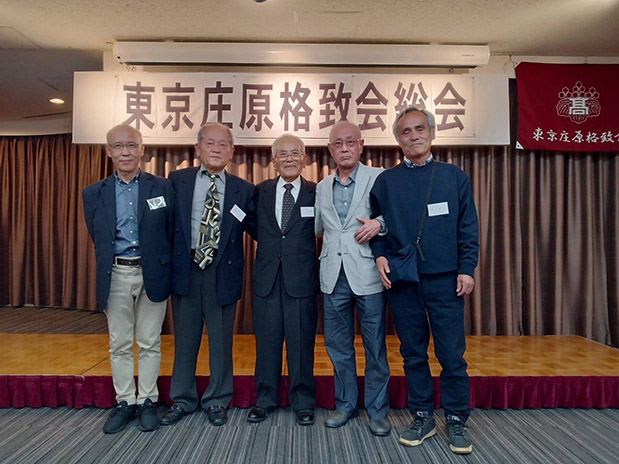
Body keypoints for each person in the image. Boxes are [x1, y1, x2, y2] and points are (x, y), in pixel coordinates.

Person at [369, 106, 479, 455]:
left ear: (432, 133)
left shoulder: (453, 176)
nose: (414, 136)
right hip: (404, 280)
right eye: (406, 131)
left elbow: (468, 226)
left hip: (446, 280)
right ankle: (422, 415)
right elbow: (376, 225)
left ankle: (457, 418)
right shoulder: (386, 181)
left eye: (420, 129)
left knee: (451, 354)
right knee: (413, 353)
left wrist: (467, 268)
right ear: (398, 139)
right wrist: (379, 254)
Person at [160, 122, 256, 427]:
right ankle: (182, 399)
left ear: (232, 151)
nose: (216, 149)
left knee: (221, 341)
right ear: (198, 148)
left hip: (222, 271)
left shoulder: (243, 189)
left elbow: (259, 229)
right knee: (185, 339)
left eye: (223, 144)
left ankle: (217, 399)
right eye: (210, 143)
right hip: (185, 269)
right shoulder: (177, 181)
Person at [82, 124, 174, 434]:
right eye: (118, 146)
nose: (125, 152)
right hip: (116, 273)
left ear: (142, 149)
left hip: (153, 274)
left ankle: (147, 400)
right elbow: (98, 235)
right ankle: (125, 402)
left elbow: (169, 230)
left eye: (131, 145)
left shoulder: (162, 187)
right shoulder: (93, 193)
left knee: (150, 341)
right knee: (119, 342)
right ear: (108, 151)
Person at [314, 120, 391, 436]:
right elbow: (315, 228)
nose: (344, 148)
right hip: (333, 276)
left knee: (375, 347)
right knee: (338, 346)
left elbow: (398, 214)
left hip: (368, 274)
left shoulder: (379, 177)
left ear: (361, 145)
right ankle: (345, 405)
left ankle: (377, 411)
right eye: (338, 144)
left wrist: (379, 224)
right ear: (330, 149)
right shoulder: (321, 187)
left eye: (350, 142)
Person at [247, 134, 318, 426]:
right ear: (274, 160)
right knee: (267, 343)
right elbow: (252, 225)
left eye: (295, 153)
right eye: (283, 154)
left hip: (301, 279)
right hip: (267, 279)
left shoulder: (317, 192)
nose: (289, 158)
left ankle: (302, 401)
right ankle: (265, 399)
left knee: (301, 344)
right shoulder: (260, 191)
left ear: (304, 159)